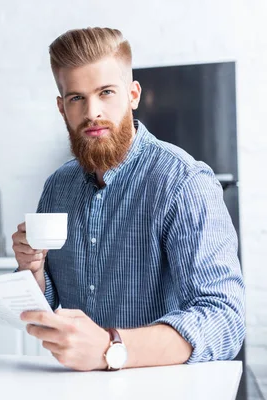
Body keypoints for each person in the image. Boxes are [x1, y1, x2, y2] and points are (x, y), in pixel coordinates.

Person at [13, 27, 245, 371]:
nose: (92, 112)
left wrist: (111, 348)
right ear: (62, 108)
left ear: (133, 94)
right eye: (77, 98)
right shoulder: (57, 187)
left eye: (106, 92)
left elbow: (224, 319)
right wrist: (31, 272)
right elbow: (49, 309)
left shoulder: (182, 182)